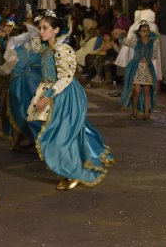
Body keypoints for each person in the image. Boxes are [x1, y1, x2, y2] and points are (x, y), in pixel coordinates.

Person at [27, 11, 114, 191]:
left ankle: (73, 173)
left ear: (56, 30)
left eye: (45, 28)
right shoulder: (48, 48)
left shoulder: (62, 49)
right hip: (54, 92)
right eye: (40, 28)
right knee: (59, 134)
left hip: (65, 94)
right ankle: (70, 171)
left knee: (62, 136)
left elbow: (66, 77)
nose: (41, 31)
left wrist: (47, 97)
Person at [0, 23, 42, 151]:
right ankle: (30, 139)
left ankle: (20, 141)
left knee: (16, 112)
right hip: (32, 81)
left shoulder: (14, 51)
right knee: (28, 111)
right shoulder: (27, 49)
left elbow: (6, 70)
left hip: (18, 84)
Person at [120, 21, 160, 121]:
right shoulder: (135, 41)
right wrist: (121, 36)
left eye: (147, 31)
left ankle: (146, 114)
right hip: (137, 69)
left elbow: (154, 56)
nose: (146, 33)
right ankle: (134, 112)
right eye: (143, 31)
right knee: (136, 91)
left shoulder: (153, 42)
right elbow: (124, 41)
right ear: (139, 33)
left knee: (146, 91)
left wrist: (148, 57)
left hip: (147, 69)